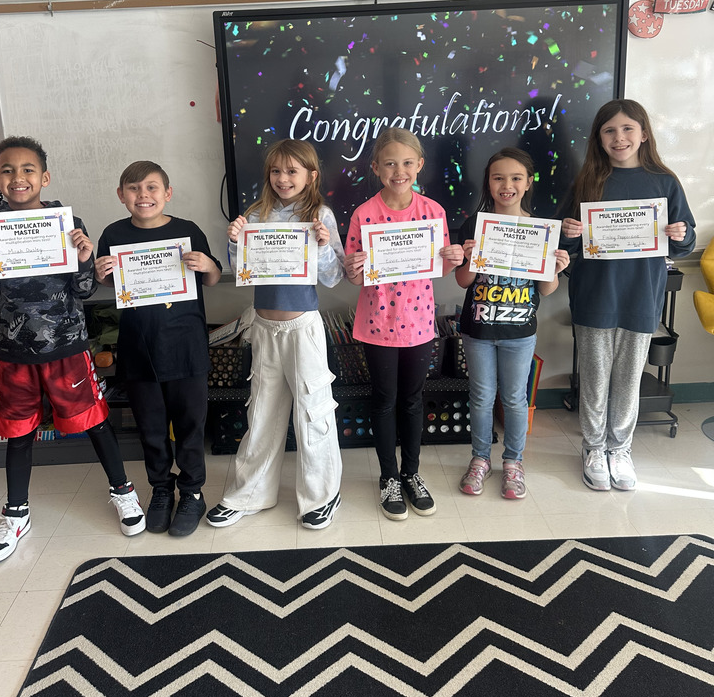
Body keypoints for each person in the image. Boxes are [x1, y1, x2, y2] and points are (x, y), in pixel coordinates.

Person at [0, 136, 145, 564]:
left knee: (94, 421)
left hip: (67, 346)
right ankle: (16, 513)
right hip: (15, 350)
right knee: (18, 433)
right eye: (8, 170)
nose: (18, 177)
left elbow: (83, 290)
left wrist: (84, 258)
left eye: (28, 169)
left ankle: (123, 492)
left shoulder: (67, 222)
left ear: (44, 178)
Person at [206, 139, 345, 530]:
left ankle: (322, 495)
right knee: (262, 412)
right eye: (276, 171)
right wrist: (235, 242)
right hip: (264, 328)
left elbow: (333, 277)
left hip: (302, 328)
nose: (283, 178)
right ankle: (249, 493)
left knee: (313, 411)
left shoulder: (320, 215)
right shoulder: (256, 214)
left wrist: (323, 245)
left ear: (310, 176)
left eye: (292, 171)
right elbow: (243, 271)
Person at [560, 100, 695, 492]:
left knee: (627, 380)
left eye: (627, 129)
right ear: (599, 138)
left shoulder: (664, 182)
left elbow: (685, 241)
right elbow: (563, 245)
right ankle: (593, 448)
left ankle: (620, 449)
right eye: (609, 130)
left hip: (641, 296)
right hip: (595, 296)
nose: (619, 138)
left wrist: (681, 234)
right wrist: (568, 232)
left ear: (644, 134)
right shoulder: (587, 181)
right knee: (595, 380)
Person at [95, 161, 222, 536]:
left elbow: (212, 278)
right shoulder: (113, 234)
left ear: (167, 193)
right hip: (139, 349)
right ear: (121, 195)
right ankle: (162, 490)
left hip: (186, 347)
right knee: (151, 428)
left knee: (190, 426)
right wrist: (101, 275)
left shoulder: (188, 230)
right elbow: (110, 284)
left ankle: (193, 493)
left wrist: (208, 264)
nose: (143, 195)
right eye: (133, 188)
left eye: (151, 187)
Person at [344, 128, 465, 520]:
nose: (399, 171)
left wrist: (454, 257)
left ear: (419, 165)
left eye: (407, 163)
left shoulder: (433, 211)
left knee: (412, 400)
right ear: (376, 168)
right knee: (384, 400)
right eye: (390, 163)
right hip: (378, 323)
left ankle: (411, 473)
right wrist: (353, 268)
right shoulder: (364, 214)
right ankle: (389, 477)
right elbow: (354, 277)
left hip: (418, 324)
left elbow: (440, 268)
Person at [454, 148, 569, 499]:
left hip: (519, 331)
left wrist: (555, 268)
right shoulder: (473, 225)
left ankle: (513, 462)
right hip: (478, 329)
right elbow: (463, 281)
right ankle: (480, 459)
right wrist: (469, 258)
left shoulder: (540, 229)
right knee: (481, 397)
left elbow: (546, 289)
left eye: (516, 178)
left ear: (528, 182)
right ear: (488, 183)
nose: (507, 185)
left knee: (516, 399)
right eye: (498, 178)